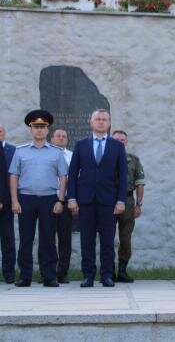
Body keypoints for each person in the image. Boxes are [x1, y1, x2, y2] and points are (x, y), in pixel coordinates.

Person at [67, 109, 127, 288]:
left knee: (108, 241)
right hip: (86, 201)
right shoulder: (81, 145)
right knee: (87, 240)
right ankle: (88, 275)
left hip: (109, 201)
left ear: (109, 123)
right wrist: (72, 198)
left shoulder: (117, 146)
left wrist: (121, 200)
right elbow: (72, 173)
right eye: (98, 119)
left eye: (104, 119)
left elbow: (122, 175)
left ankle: (107, 275)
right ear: (91, 122)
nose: (101, 122)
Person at [8, 110, 68, 287]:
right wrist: (14, 201)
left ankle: (49, 276)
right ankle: (25, 276)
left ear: (47, 130)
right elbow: (14, 176)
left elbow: (63, 177)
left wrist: (60, 200)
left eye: (42, 127)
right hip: (25, 199)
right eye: (36, 127)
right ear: (31, 129)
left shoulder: (56, 152)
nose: (39, 130)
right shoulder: (20, 151)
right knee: (26, 238)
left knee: (48, 238)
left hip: (49, 199)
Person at [111, 130, 145, 283]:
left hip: (128, 200)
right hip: (108, 201)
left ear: (126, 142)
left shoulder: (133, 160)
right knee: (107, 236)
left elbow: (140, 183)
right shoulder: (104, 158)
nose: (119, 142)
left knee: (125, 237)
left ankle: (122, 271)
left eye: (122, 140)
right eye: (116, 140)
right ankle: (109, 271)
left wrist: (138, 204)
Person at [50, 128, 73, 283]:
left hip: (65, 200)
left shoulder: (72, 156)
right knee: (47, 237)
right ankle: (48, 272)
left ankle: (62, 272)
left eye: (64, 136)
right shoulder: (45, 154)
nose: (61, 138)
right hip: (48, 199)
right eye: (58, 136)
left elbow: (76, 178)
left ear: (67, 140)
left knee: (65, 238)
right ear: (52, 139)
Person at [0, 124, 16, 284]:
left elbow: (14, 176)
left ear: (4, 133)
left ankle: (9, 274)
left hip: (7, 202)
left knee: (8, 240)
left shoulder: (13, 151)